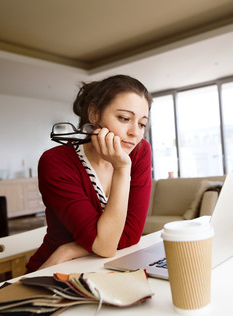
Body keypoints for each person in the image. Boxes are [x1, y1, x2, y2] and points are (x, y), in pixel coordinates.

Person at [26, 75, 153, 272]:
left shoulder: (139, 151)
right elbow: (105, 246)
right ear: (94, 114)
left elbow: (130, 237)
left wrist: (70, 250)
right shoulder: (56, 162)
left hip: (100, 266)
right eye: (125, 118)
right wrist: (121, 169)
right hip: (57, 271)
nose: (135, 133)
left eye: (142, 124)